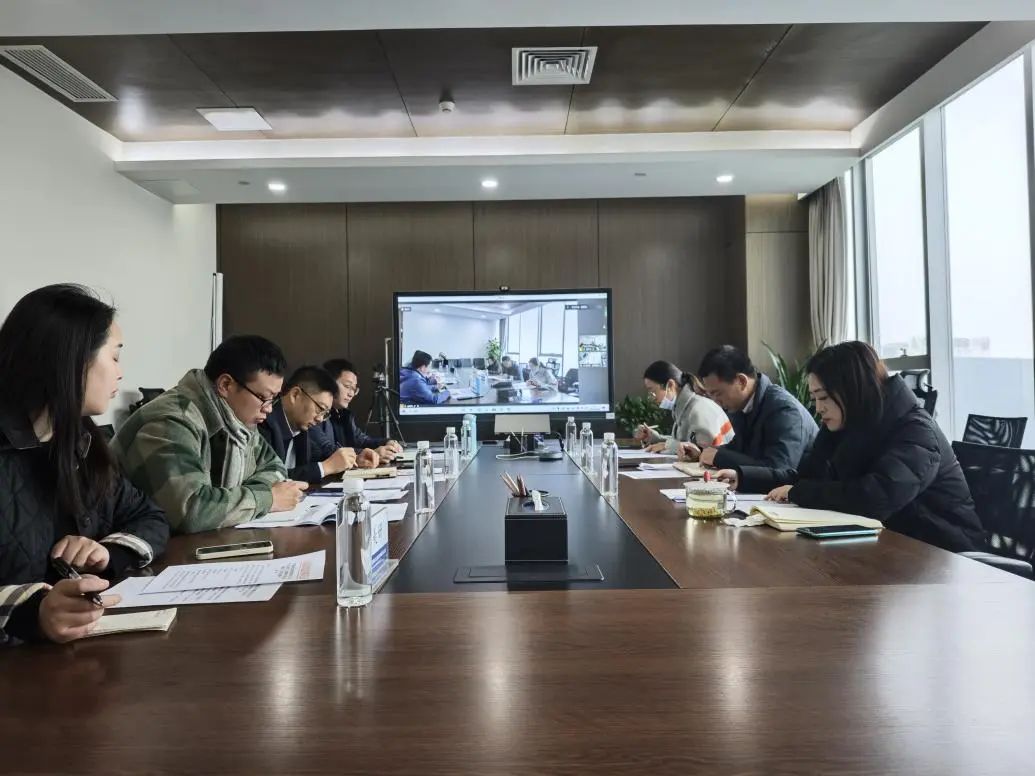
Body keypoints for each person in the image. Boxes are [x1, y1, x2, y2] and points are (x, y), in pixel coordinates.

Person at [0, 284, 168, 645]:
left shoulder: (82, 442)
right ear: (72, 360)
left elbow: (149, 516)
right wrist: (31, 612)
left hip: (75, 661)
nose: (120, 373)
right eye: (115, 356)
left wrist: (107, 552)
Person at [716, 342, 987, 553]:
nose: (818, 408)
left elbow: (876, 498)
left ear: (852, 390)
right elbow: (807, 478)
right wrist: (745, 476)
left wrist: (800, 492)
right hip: (884, 546)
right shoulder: (846, 422)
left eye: (823, 397)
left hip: (941, 552)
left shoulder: (915, 430)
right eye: (814, 398)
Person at [112, 335, 308, 534]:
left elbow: (275, 466)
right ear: (225, 385)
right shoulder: (172, 421)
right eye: (263, 397)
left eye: (273, 399)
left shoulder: (238, 421)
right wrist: (267, 498)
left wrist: (240, 499)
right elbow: (191, 511)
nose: (268, 408)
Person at [696, 345, 817, 471]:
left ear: (741, 381)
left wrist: (719, 457)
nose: (716, 401)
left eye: (718, 393)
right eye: (711, 395)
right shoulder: (742, 405)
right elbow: (739, 449)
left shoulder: (783, 410)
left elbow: (779, 469)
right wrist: (703, 453)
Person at [258, 366, 378, 485]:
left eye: (325, 414)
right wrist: (325, 467)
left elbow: (322, 454)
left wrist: (355, 459)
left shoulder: (303, 427)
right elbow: (269, 480)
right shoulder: (263, 423)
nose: (320, 419)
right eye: (320, 409)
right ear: (295, 395)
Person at [634, 361, 734, 458]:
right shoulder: (683, 408)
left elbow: (706, 451)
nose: (652, 398)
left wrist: (667, 445)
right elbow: (686, 442)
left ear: (670, 385)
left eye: (652, 391)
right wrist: (655, 438)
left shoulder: (699, 409)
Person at [316, 358, 402, 463]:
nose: (351, 394)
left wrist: (387, 442)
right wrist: (370, 454)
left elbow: (362, 440)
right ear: (329, 384)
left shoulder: (343, 414)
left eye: (354, 389)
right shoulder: (316, 414)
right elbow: (328, 449)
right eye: (347, 386)